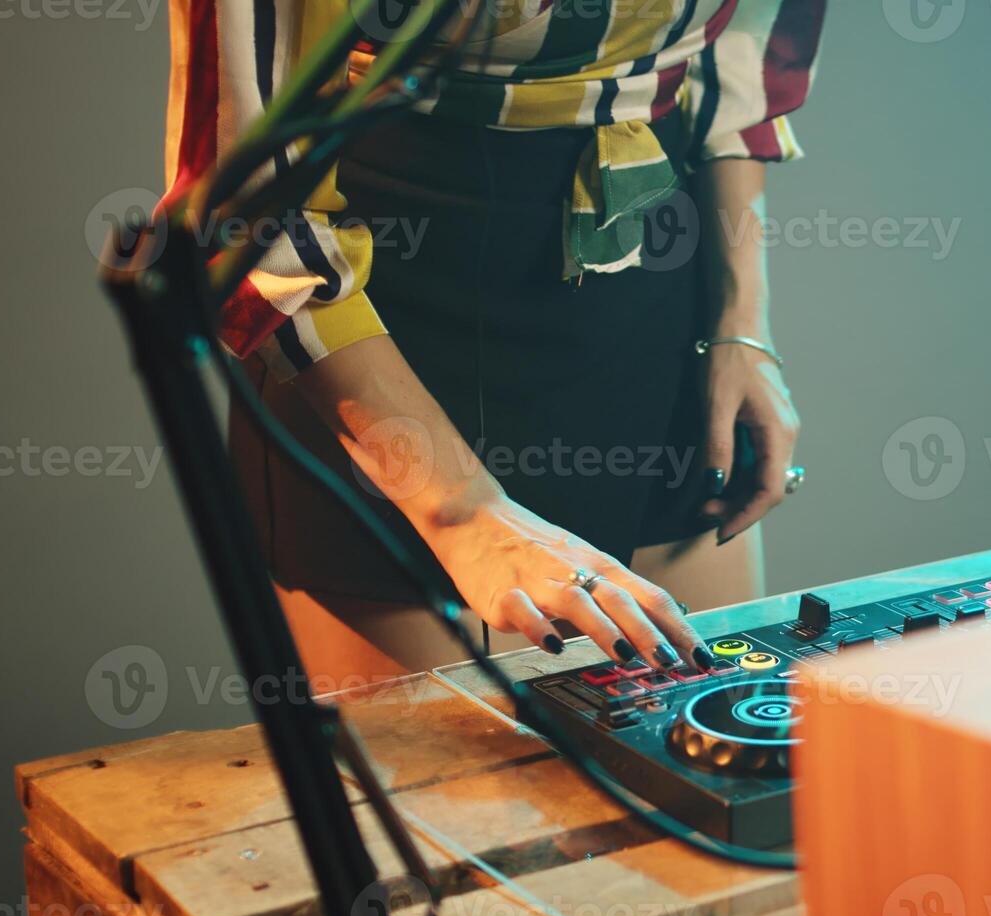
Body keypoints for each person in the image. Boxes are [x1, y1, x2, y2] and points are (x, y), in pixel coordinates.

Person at [160, 0, 826, 681]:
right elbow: (244, 205)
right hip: (382, 320)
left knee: (699, 763)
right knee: (452, 786)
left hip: (652, 298)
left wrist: (741, 325)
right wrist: (458, 509)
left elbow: (745, 46)